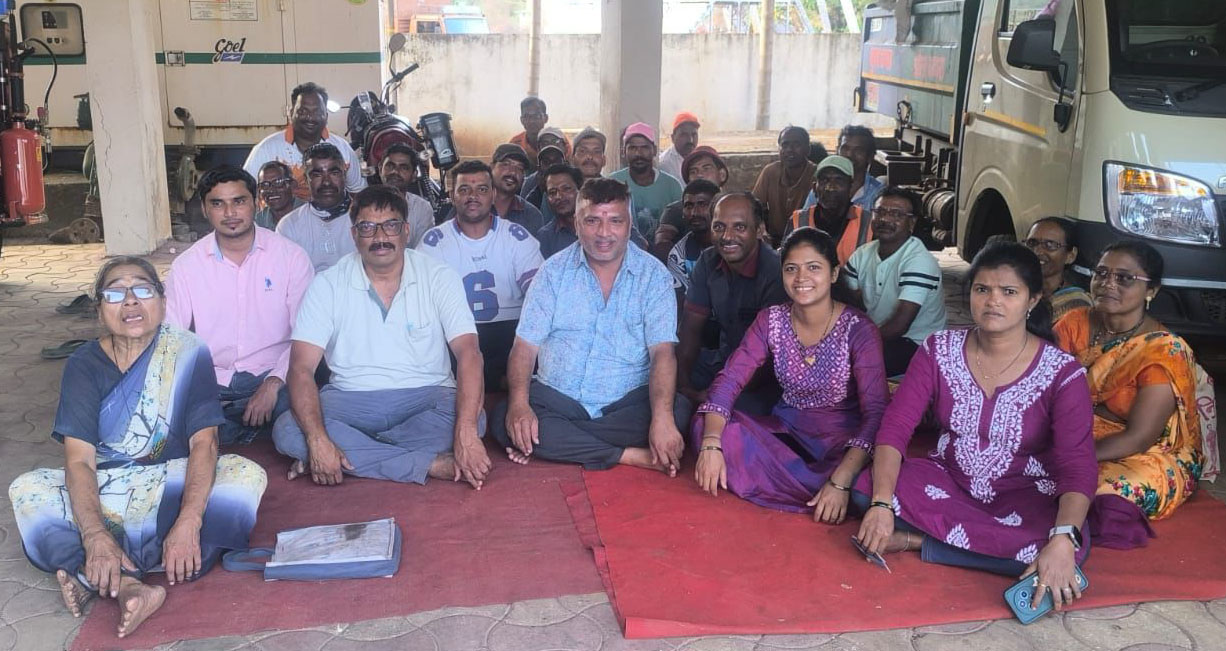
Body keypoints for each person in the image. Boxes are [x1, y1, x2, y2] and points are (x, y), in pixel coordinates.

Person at [9, 257, 267, 638]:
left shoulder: (188, 352)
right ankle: (131, 581)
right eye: (115, 293)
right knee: (28, 490)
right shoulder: (83, 364)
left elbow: (204, 443)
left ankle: (95, 573)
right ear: (100, 309)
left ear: (162, 301)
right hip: (106, 490)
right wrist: (95, 533)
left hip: (169, 486)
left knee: (245, 477)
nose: (130, 301)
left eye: (142, 289)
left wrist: (189, 520)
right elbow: (79, 462)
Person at [855, 242, 1096, 613]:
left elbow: (1077, 463)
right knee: (865, 491)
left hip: (1024, 492)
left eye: (1009, 292)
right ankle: (964, 544)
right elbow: (896, 426)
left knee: (1067, 549)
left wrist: (1064, 538)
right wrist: (882, 503)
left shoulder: (1063, 373)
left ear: (1033, 300)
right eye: (982, 289)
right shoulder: (939, 349)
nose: (992, 301)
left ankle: (918, 542)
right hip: (948, 480)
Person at [272, 185, 492, 489]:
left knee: (473, 420)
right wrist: (318, 437)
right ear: (354, 235)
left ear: (405, 231)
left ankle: (347, 454)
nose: (379, 237)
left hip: (427, 396)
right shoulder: (328, 284)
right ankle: (426, 463)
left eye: (390, 225)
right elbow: (300, 368)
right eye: (367, 227)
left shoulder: (439, 276)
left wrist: (465, 431)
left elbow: (469, 353)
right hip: (350, 398)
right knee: (287, 429)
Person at [491, 178, 688, 475]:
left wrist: (661, 420)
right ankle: (627, 455)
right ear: (576, 223)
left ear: (629, 224)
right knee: (504, 415)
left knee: (677, 410)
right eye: (592, 221)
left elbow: (662, 353)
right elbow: (524, 347)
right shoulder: (552, 272)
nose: (604, 233)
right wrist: (519, 407)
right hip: (559, 398)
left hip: (625, 403)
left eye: (615, 221)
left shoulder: (654, 276)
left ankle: (560, 442)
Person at [693, 227, 888, 515]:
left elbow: (876, 411)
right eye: (791, 268)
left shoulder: (859, 329)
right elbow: (731, 378)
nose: (801, 278)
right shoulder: (771, 320)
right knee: (708, 426)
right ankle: (813, 490)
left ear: (834, 273)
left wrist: (841, 480)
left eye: (813, 267)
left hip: (839, 445)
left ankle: (828, 487)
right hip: (785, 433)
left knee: (864, 482)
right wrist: (711, 445)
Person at [1054, 242, 1205, 524]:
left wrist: (1068, 458)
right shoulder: (1074, 323)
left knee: (1099, 490)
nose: (1108, 283)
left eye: (1125, 278)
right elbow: (1040, 389)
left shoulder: (1163, 350)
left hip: (1141, 453)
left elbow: (1139, 437)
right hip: (1070, 434)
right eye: (1101, 273)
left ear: (1152, 290)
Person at [166, 166, 314, 445]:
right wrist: (196, 391)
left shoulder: (290, 257)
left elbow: (306, 336)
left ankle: (235, 432)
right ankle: (236, 430)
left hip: (275, 377)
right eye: (217, 204)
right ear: (204, 209)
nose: (230, 213)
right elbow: (171, 338)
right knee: (171, 422)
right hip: (214, 382)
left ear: (256, 202)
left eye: (239, 201)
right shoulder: (186, 267)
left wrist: (273, 383)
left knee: (301, 413)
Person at [419, 160, 544, 390]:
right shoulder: (434, 243)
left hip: (509, 330)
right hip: (456, 331)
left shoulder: (516, 237)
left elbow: (540, 294)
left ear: (493, 194)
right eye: (464, 189)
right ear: (452, 196)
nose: (473, 196)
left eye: (482, 189)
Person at [677, 193, 789, 413]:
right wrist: (683, 387)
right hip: (722, 362)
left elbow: (767, 358)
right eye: (719, 227)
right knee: (662, 369)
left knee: (726, 415)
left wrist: (719, 395)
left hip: (763, 379)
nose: (727, 236)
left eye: (739, 227)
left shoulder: (776, 273)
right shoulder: (708, 261)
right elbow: (690, 330)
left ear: (759, 230)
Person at [844, 187, 947, 376]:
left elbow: (900, 325)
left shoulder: (919, 261)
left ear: (912, 223)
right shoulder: (862, 254)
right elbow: (847, 303)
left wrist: (853, 342)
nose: (885, 219)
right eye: (880, 211)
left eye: (897, 214)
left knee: (851, 365)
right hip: (877, 334)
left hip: (916, 343)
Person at [243, 82, 365, 202]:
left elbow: (358, 191)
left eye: (317, 112)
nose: (310, 117)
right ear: (291, 113)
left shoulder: (342, 149)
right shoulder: (266, 149)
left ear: (326, 116)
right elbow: (244, 192)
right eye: (303, 111)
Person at [275, 143, 359, 272]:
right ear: (306, 179)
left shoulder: (364, 219)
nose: (326, 182)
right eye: (317, 175)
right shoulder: (289, 226)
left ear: (344, 174)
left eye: (334, 173)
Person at [537, 165, 649, 259]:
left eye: (566, 189)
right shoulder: (545, 237)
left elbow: (641, 250)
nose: (559, 196)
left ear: (580, 190)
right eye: (552, 192)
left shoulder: (613, 221)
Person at [788, 156, 873, 262]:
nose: (831, 187)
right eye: (824, 180)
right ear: (814, 189)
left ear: (851, 187)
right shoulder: (798, 221)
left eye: (839, 180)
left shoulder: (868, 223)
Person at [608, 122, 683, 242]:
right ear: (623, 152)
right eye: (632, 148)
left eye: (645, 148)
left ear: (654, 150)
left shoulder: (672, 186)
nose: (638, 154)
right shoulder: (612, 183)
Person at [653, 146, 730, 258]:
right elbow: (662, 241)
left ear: (722, 175)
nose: (699, 175)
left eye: (706, 168)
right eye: (693, 171)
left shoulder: (736, 207)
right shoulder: (675, 210)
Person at [752, 126, 817, 245]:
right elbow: (754, 205)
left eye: (796, 145)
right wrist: (762, 230)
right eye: (784, 145)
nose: (789, 150)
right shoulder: (770, 172)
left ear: (808, 149)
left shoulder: (816, 175)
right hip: (773, 240)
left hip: (804, 241)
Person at [801, 125, 884, 214]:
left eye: (858, 150)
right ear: (837, 151)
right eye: (845, 148)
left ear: (870, 156)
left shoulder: (878, 194)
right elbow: (805, 218)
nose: (850, 154)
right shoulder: (822, 188)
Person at [1025, 217, 1091, 322]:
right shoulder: (1014, 290)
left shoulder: (1076, 305)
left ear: (1071, 255)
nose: (1037, 251)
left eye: (1050, 245)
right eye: (1032, 243)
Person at [378, 142, 439, 248]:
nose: (395, 172)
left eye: (404, 168)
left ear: (414, 175)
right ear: (380, 169)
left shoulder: (422, 208)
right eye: (390, 166)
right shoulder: (363, 205)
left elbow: (422, 251)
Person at [666, 179, 720, 293]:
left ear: (718, 208)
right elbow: (682, 300)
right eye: (688, 206)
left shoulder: (733, 244)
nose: (694, 213)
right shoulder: (678, 256)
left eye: (702, 204)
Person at [487, 143, 545, 235]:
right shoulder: (473, 206)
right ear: (491, 167)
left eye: (520, 168)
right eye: (506, 164)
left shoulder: (532, 216)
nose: (513, 172)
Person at [520, 142, 567, 216]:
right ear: (539, 168)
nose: (552, 165)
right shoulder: (533, 198)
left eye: (556, 161)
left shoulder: (575, 189)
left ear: (565, 165)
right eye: (546, 162)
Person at [253, 161, 303, 229]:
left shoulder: (310, 214)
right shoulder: (257, 223)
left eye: (278, 182)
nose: (271, 190)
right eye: (265, 185)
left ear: (292, 185)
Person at [658, 112, 700, 182]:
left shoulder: (701, 158)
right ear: (673, 138)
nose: (690, 140)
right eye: (684, 135)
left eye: (694, 134)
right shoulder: (664, 164)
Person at [510, 96, 550, 168]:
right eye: (527, 116)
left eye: (537, 116)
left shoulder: (558, 141)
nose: (532, 121)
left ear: (546, 118)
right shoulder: (515, 144)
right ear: (522, 120)